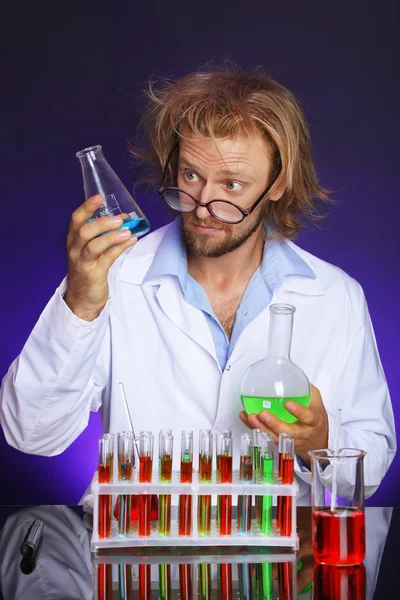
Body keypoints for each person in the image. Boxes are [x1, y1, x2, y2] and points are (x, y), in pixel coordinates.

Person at [0, 68, 396, 505]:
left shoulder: (335, 296)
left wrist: (319, 440)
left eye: (231, 184)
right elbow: (30, 433)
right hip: (137, 559)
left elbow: (372, 463)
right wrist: (78, 303)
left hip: (273, 558)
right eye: (190, 176)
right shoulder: (114, 277)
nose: (203, 206)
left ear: (278, 185)